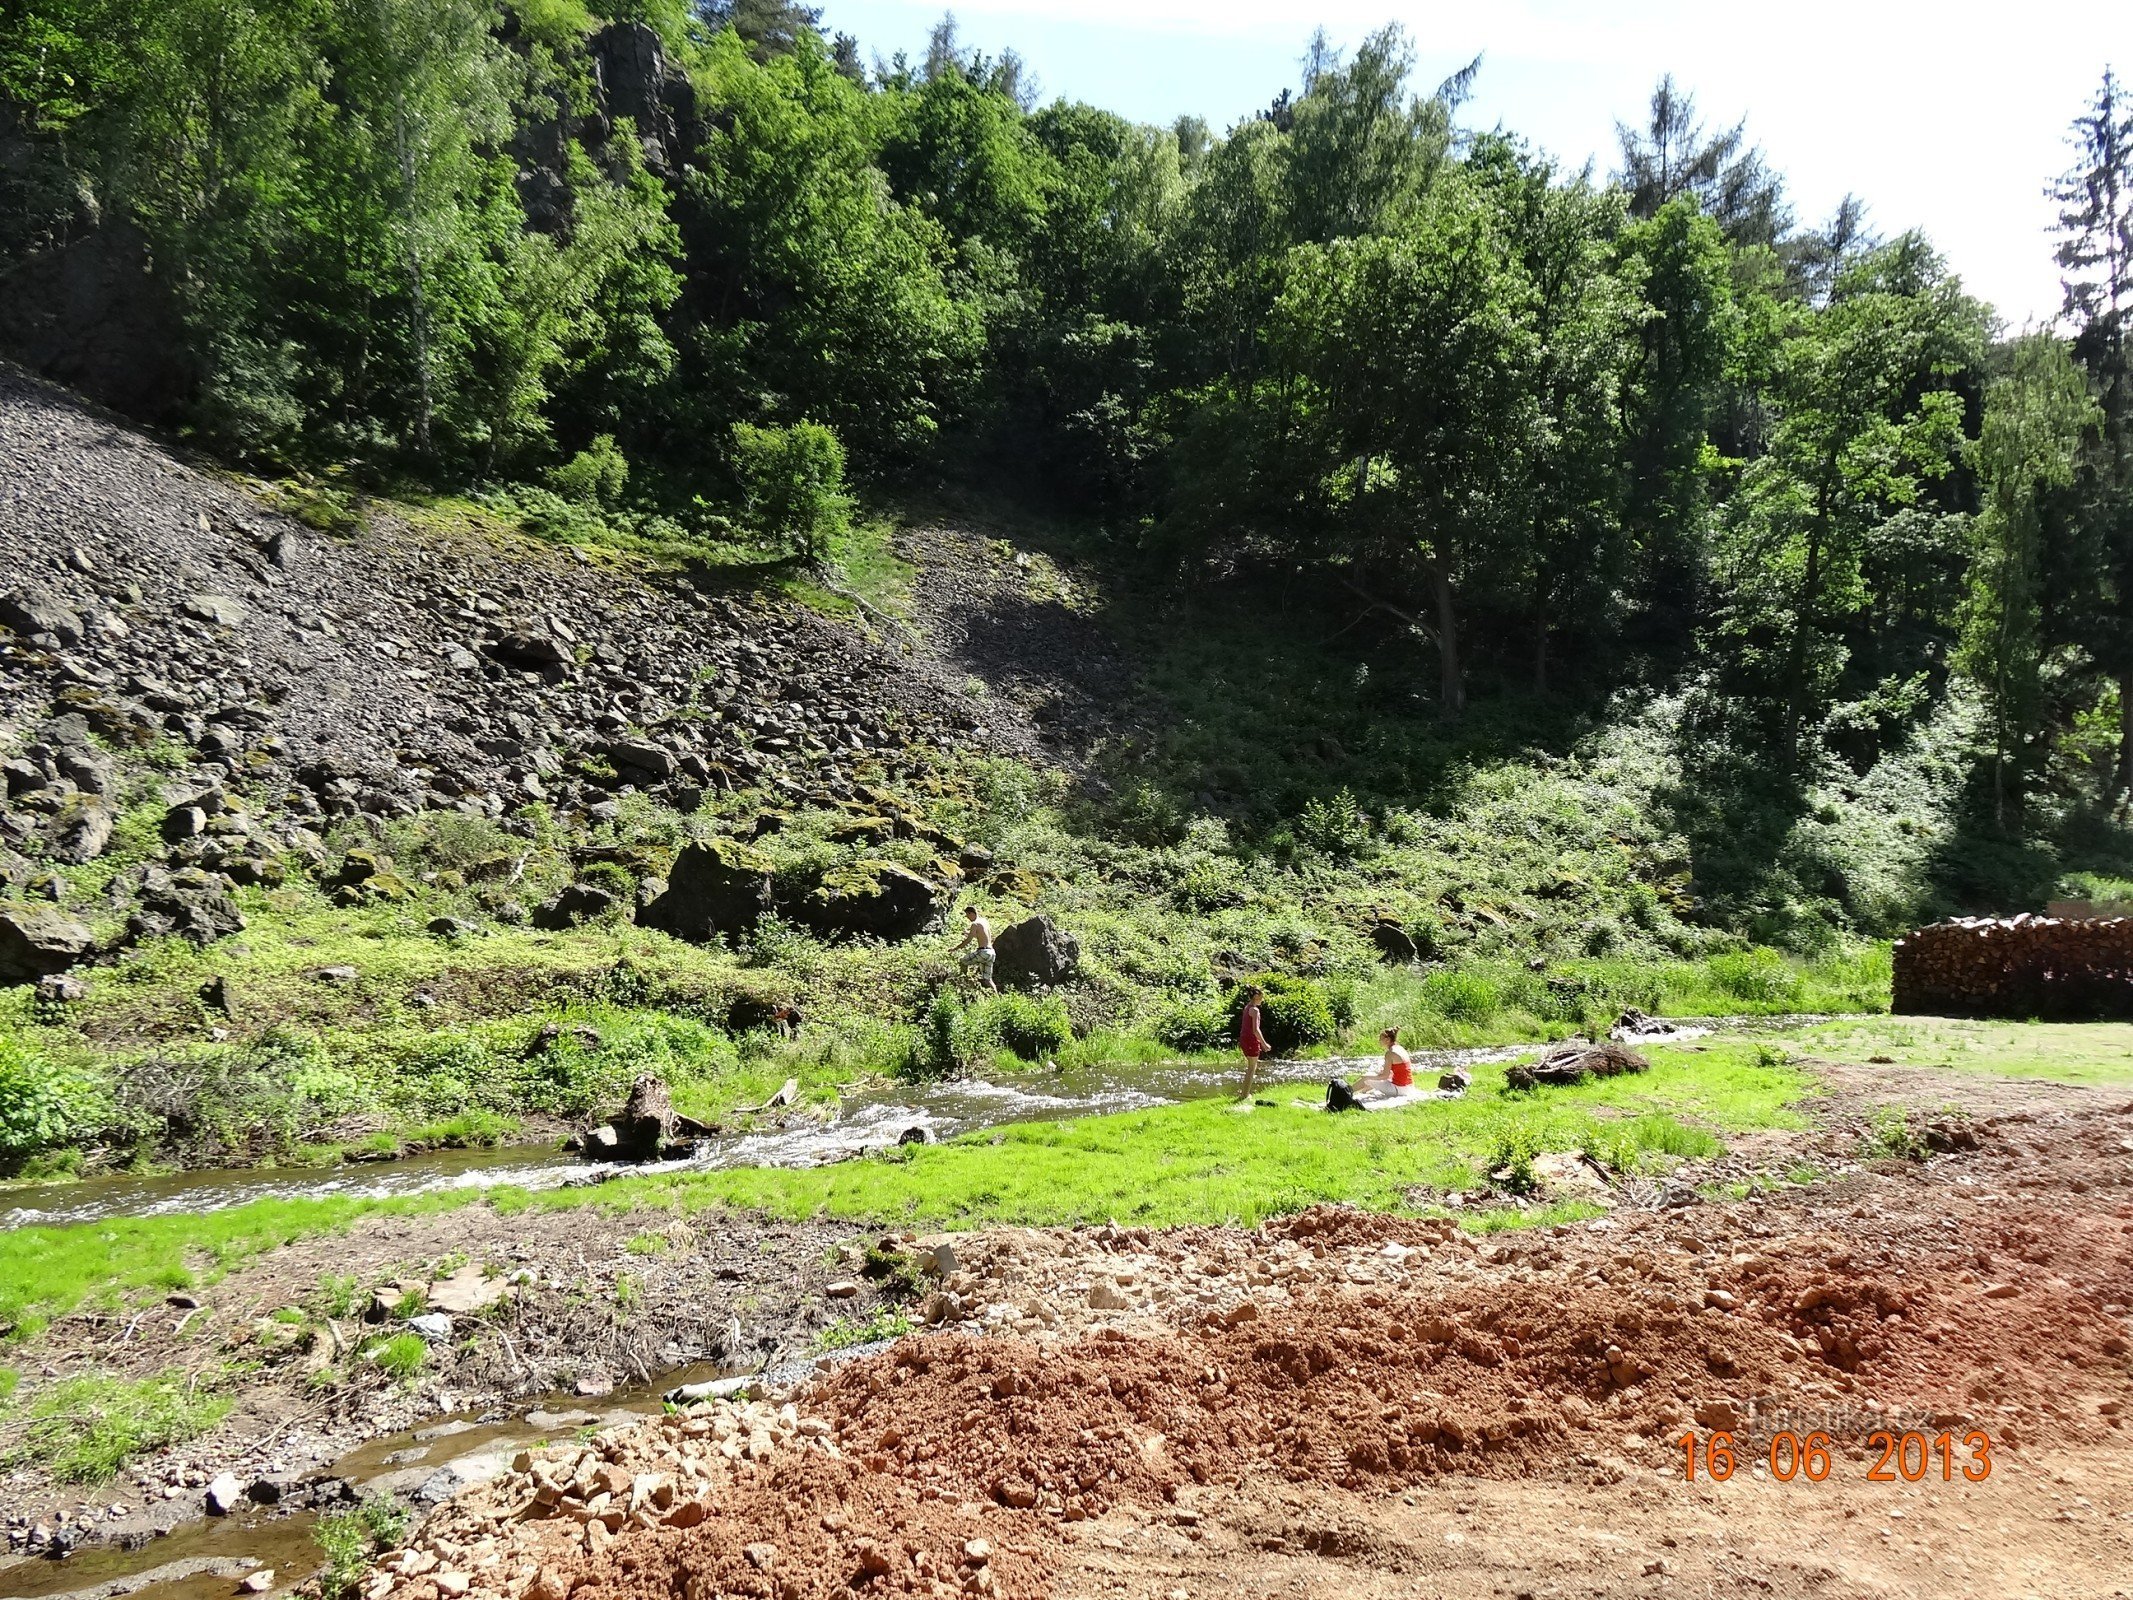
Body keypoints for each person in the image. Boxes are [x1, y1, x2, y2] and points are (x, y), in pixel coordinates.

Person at [1328, 1027, 1414, 1111]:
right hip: (1408, 1087)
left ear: (1387, 1040)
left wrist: (1367, 1077)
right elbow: (1398, 1071)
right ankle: (1358, 1092)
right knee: (1372, 1076)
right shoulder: (1399, 1048)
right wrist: (1377, 1074)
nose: (1379, 1041)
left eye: (1381, 1039)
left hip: (1399, 1089)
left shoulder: (1390, 1053)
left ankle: (1346, 1093)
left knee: (1367, 1079)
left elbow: (1385, 1076)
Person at [953, 905, 997, 993]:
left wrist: (956, 948)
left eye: (967, 915)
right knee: (988, 979)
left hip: (983, 952)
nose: (967, 918)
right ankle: (997, 999)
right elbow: (983, 935)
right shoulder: (984, 921)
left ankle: (964, 986)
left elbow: (968, 940)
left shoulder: (974, 924)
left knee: (963, 961)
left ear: (971, 913)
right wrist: (970, 934)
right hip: (991, 953)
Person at [1237, 986, 1268, 1097]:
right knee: (1251, 1068)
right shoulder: (1254, 1010)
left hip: (1244, 1039)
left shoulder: (1247, 1007)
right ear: (1255, 996)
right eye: (1261, 997)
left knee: (1251, 1067)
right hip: (1251, 1040)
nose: (1262, 999)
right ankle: (1245, 1095)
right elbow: (1255, 1030)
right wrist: (1264, 1044)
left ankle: (1244, 1093)